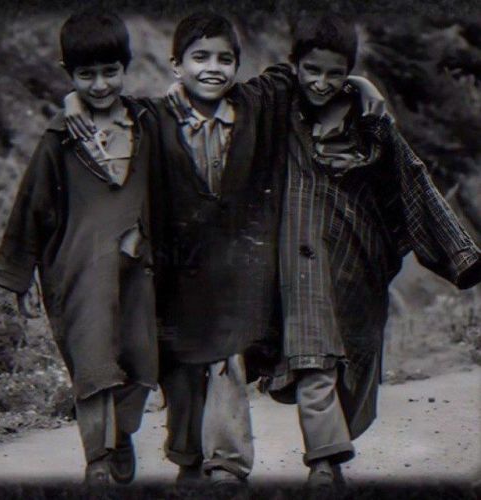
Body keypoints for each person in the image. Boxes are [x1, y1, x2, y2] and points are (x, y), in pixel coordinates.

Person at [64, 11, 385, 489]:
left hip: (236, 273)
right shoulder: (152, 117)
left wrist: (359, 83)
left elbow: (303, 73)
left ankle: (227, 466)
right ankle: (174, 454)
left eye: (223, 59)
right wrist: (73, 98)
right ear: (176, 64)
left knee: (227, 363)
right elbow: (107, 103)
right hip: (175, 272)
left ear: (237, 64)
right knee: (174, 374)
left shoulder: (256, 102)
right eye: (200, 58)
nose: (212, 69)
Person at [266, 14, 481, 497]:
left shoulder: (370, 122)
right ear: (295, 64)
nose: (320, 82)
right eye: (310, 69)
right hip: (298, 260)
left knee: (354, 358)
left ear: (348, 72)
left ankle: (335, 442)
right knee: (312, 353)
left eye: (335, 73)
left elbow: (411, 179)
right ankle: (323, 461)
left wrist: (459, 254)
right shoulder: (278, 108)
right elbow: (255, 87)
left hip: (358, 256)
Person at [0, 9, 158, 485]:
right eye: (86, 75)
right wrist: (18, 276)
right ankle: (98, 458)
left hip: (140, 272)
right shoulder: (59, 138)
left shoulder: (149, 124)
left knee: (142, 361)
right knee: (93, 361)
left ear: (126, 66)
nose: (100, 85)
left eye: (109, 71)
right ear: (69, 74)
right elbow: (31, 207)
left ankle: (121, 434)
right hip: (79, 272)